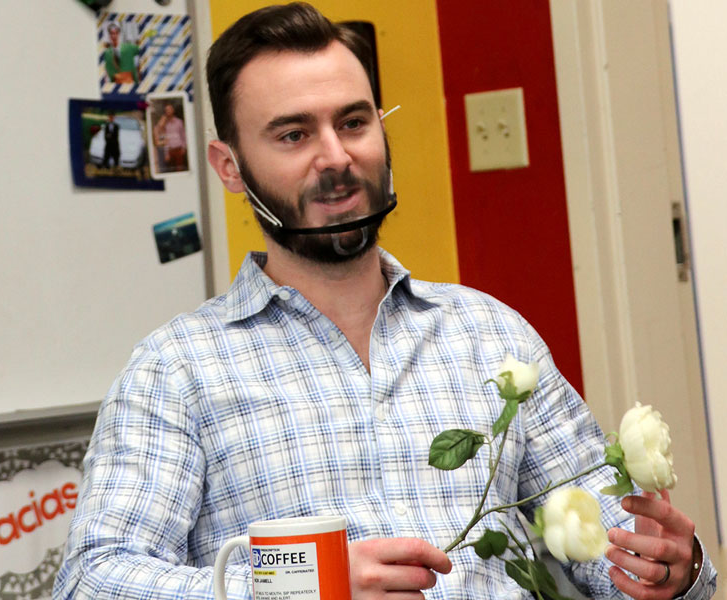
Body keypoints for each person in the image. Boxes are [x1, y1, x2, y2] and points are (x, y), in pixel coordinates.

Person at [55, 4, 716, 599]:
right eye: (293, 135)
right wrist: (302, 584)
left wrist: (669, 569)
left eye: (353, 121)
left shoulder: (490, 334)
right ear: (229, 167)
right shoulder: (176, 371)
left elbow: (607, 543)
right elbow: (92, 581)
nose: (337, 157)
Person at [153, 102, 188, 171]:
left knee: (180, 169)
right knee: (171, 169)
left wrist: (184, 147)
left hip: (178, 149)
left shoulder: (179, 122)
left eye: (170, 109)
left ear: (173, 110)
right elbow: (164, 139)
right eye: (167, 110)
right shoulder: (164, 124)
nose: (168, 111)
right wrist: (166, 153)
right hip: (169, 151)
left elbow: (183, 134)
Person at [103, 21, 140, 85]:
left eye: (116, 33)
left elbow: (140, 54)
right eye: (111, 33)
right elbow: (107, 71)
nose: (114, 36)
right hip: (116, 82)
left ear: (119, 34)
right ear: (109, 35)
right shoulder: (107, 53)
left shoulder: (129, 47)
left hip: (130, 80)